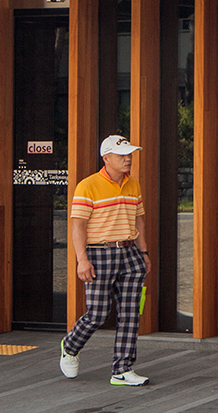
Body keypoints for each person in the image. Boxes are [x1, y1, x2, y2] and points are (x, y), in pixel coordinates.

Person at [59, 135, 150, 386]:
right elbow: (78, 225)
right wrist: (82, 259)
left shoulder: (133, 184)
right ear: (106, 158)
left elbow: (139, 220)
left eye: (129, 154)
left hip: (130, 253)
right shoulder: (87, 186)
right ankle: (70, 346)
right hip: (99, 253)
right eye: (122, 155)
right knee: (98, 313)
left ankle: (122, 369)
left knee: (130, 313)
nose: (128, 159)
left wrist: (144, 253)